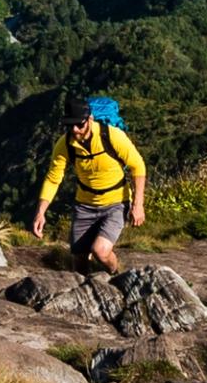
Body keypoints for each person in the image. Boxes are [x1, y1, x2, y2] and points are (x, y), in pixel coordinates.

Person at [30, 94, 145, 274]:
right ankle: (86, 289)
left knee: (100, 251)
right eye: (70, 125)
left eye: (80, 124)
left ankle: (116, 275)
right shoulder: (65, 144)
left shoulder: (112, 136)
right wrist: (40, 212)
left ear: (90, 119)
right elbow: (53, 178)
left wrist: (138, 205)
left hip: (116, 203)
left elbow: (138, 167)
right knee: (79, 258)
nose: (75, 130)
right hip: (84, 206)